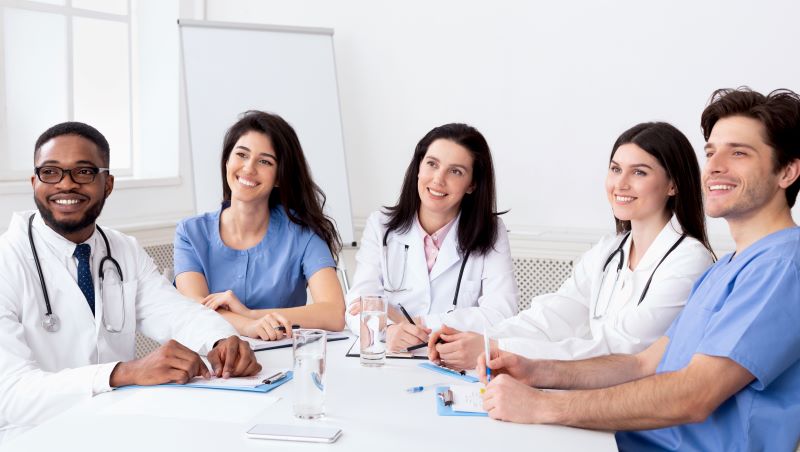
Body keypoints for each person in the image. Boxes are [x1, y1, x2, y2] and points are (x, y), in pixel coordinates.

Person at [477, 88, 800, 452]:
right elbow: (644, 363)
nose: (715, 166)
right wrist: (537, 370)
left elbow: (695, 395)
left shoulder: (783, 266)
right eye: (711, 152)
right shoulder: (725, 269)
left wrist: (544, 406)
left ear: (787, 171)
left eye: (738, 152)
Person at [0, 122, 260, 442]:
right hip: (34, 436)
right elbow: (10, 395)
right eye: (51, 172)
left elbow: (175, 312)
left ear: (107, 184)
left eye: (83, 172)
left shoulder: (123, 250)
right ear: (34, 181)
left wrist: (221, 340)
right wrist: (124, 372)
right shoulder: (7, 260)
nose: (66, 185)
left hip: (115, 424)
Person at [428, 122, 715, 370]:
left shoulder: (689, 261)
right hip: (597, 394)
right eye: (615, 169)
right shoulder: (608, 251)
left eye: (639, 172)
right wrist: (476, 339)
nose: (620, 183)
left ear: (673, 185)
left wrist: (498, 347)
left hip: (643, 413)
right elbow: (551, 316)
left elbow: (623, 349)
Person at [345, 123, 518, 352]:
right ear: (419, 166)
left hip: (454, 363)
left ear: (472, 185)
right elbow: (357, 307)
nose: (438, 179)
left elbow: (502, 314)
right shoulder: (381, 225)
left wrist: (420, 324)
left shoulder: (491, 231)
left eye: (455, 171)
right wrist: (388, 329)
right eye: (432, 164)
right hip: (393, 357)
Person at [174, 111, 345, 340]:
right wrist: (247, 326)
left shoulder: (304, 233)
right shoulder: (190, 233)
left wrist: (251, 314)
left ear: (279, 177)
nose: (248, 168)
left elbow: (334, 313)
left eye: (265, 161)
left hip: (282, 363)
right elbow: (193, 310)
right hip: (211, 364)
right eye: (241, 155)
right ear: (227, 161)